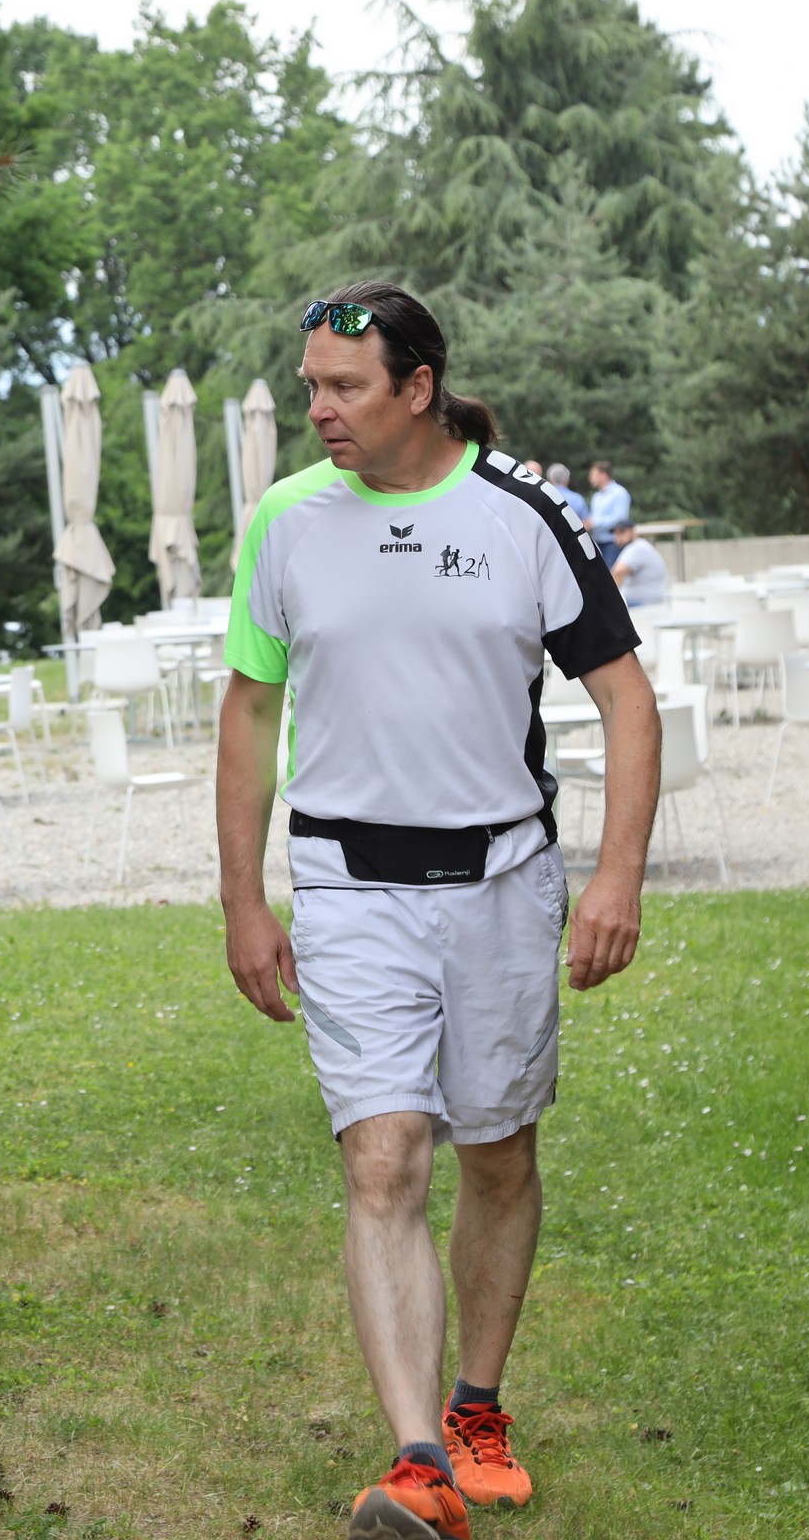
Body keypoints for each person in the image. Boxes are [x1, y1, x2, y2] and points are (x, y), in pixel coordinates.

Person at [219, 281, 658, 1540]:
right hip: (347, 884)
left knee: (498, 1152)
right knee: (384, 1155)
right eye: (311, 385)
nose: (320, 409)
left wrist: (617, 875)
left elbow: (628, 700)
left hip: (503, 884)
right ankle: (416, 1463)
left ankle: (477, 1407)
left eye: (345, 387)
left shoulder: (526, 513)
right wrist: (244, 897)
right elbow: (249, 711)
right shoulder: (286, 522)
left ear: (418, 389)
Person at [608, 519, 668, 607]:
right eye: (616, 534)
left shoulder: (637, 548)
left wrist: (607, 597)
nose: (618, 538)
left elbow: (618, 572)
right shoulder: (641, 546)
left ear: (631, 531)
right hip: (647, 601)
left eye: (621, 533)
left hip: (642, 603)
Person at [584, 460, 629, 569]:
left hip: (612, 543)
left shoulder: (619, 493)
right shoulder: (597, 496)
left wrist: (595, 523)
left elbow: (620, 518)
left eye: (594, 475)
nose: (590, 478)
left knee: (611, 574)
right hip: (598, 542)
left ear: (603, 475)